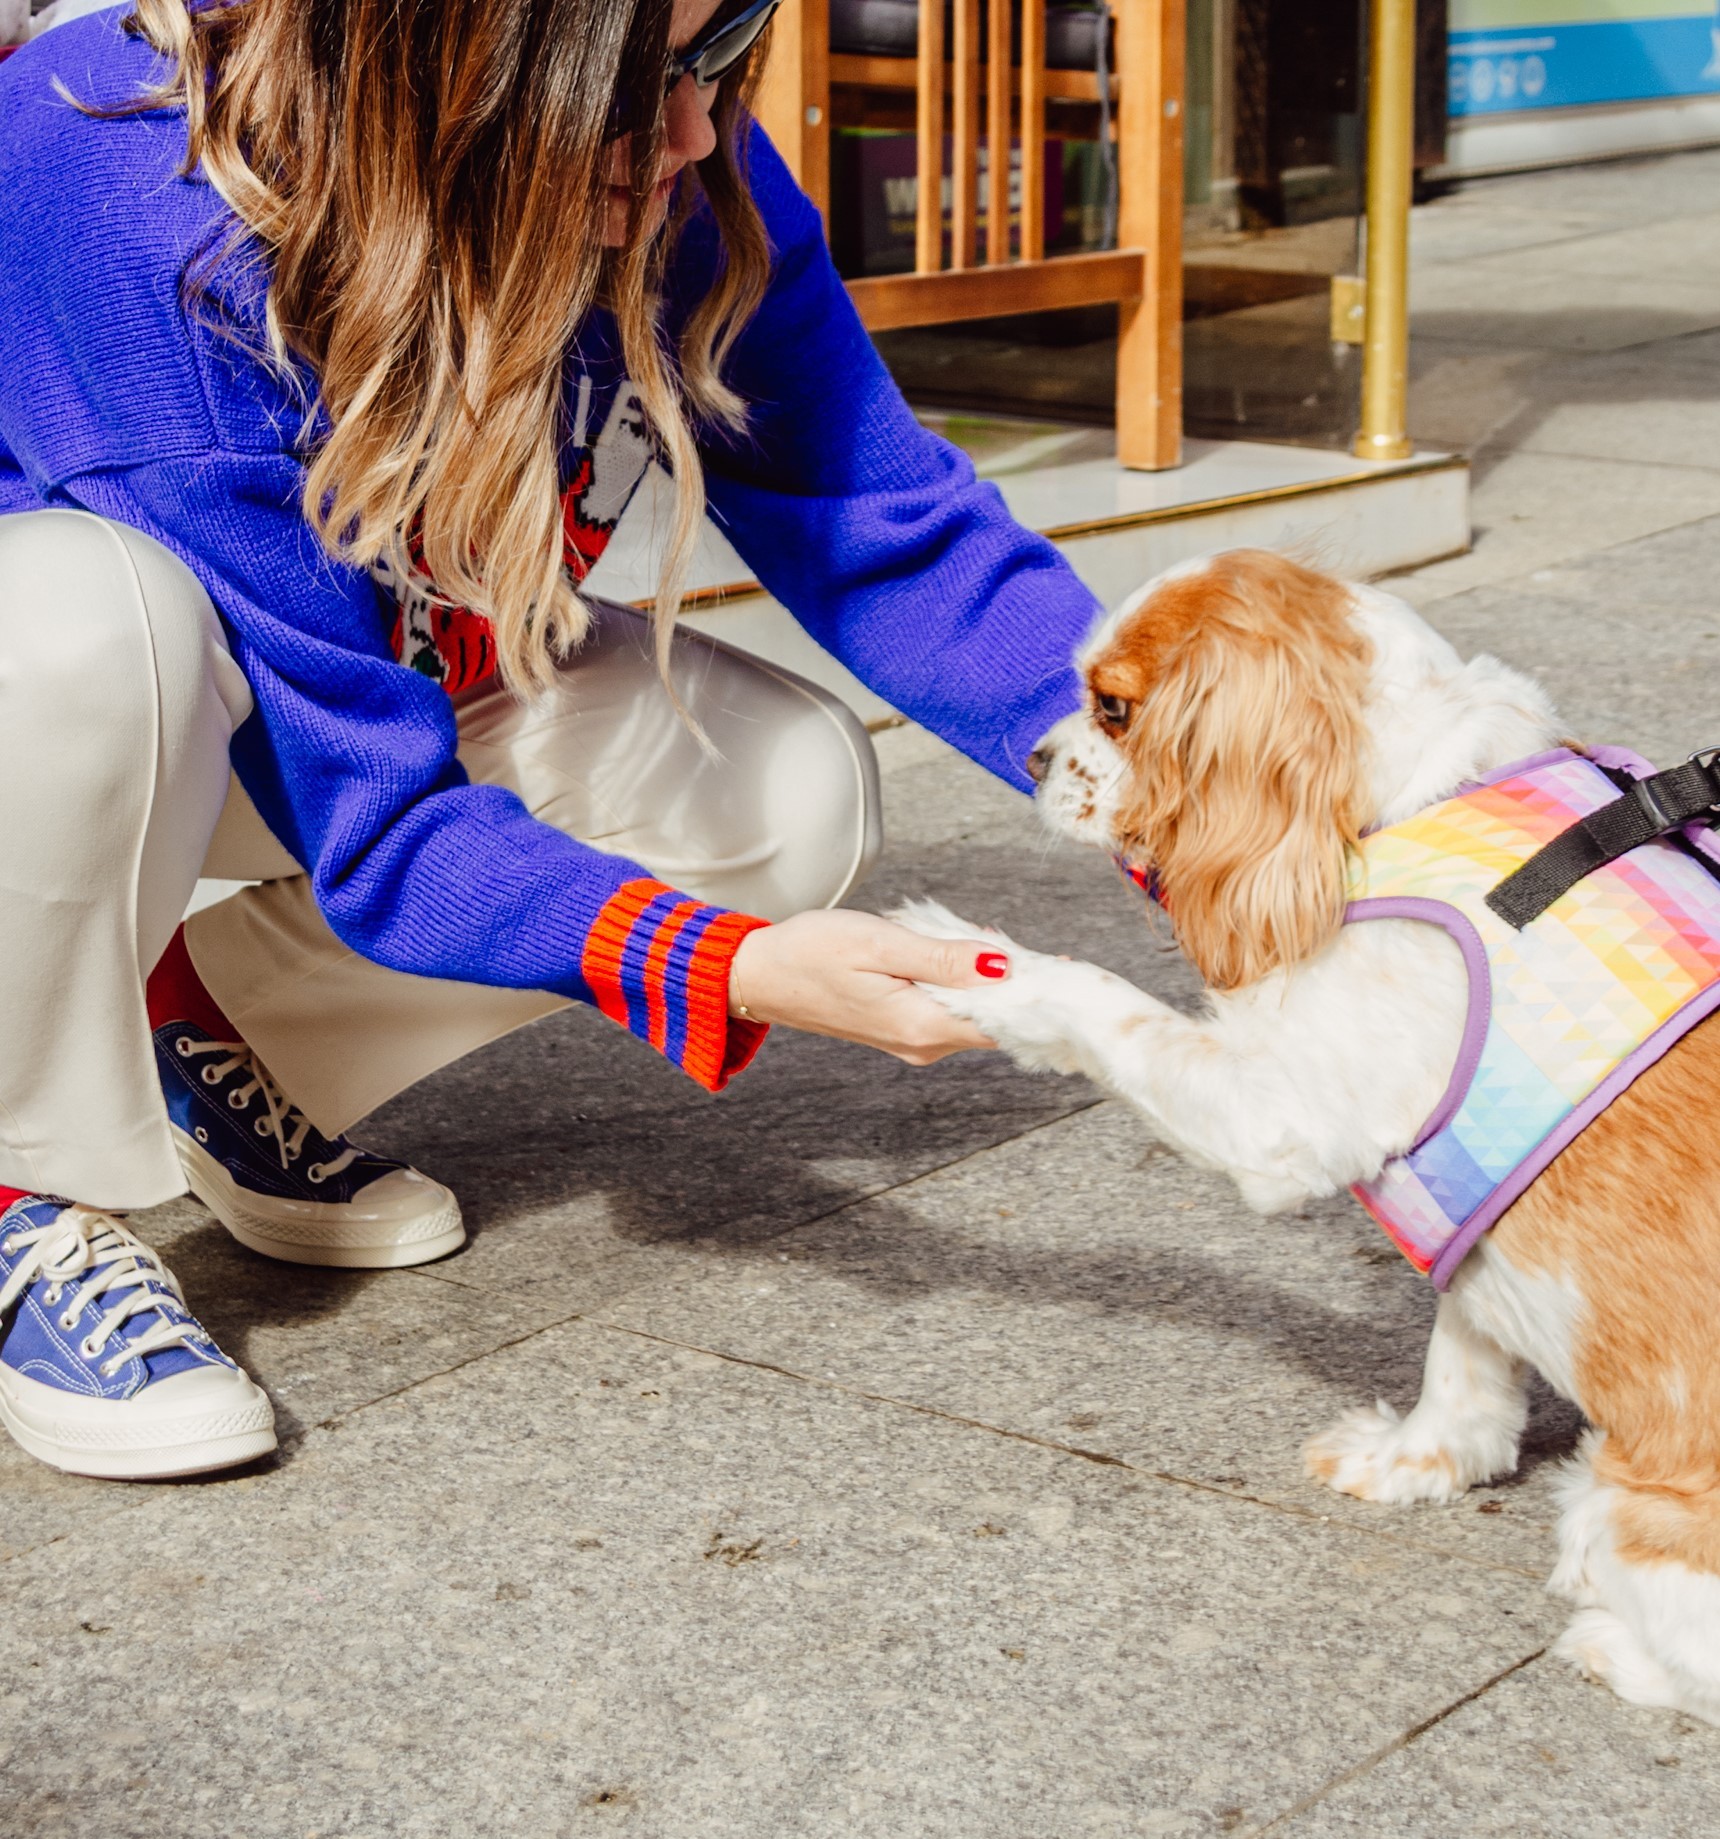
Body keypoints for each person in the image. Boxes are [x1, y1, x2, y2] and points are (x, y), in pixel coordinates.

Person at [0, 0, 1100, 1481]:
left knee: (785, 788)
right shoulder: (130, 176)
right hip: (63, 719)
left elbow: (884, 524)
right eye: (637, 76)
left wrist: (1192, 789)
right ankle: (25, 1183)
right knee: (91, 624)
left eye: (713, 54)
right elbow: (378, 831)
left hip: (295, 713)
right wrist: (726, 967)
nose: (700, 129)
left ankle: (206, 1038)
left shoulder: (661, 167)